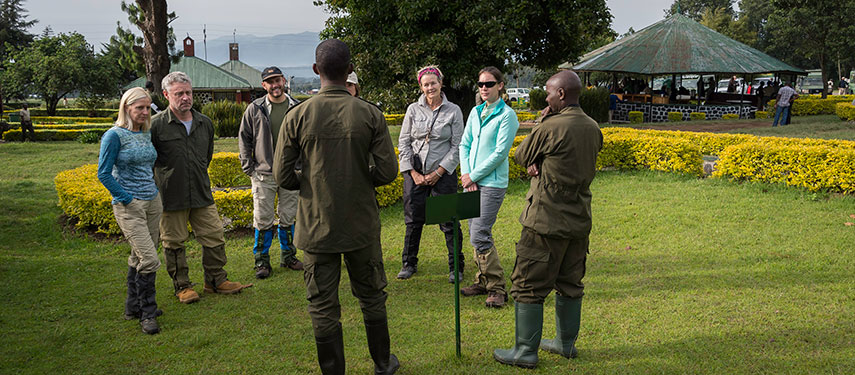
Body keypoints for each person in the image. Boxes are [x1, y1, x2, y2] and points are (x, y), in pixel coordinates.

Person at [273, 39, 400, 375]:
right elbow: (388, 172)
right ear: (349, 71)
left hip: (316, 226)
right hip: (360, 222)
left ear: (316, 71)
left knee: (322, 304)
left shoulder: (297, 115)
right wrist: (359, 178)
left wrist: (313, 183)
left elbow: (281, 175)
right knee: (372, 296)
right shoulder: (369, 113)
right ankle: (383, 363)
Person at [493, 70, 602, 369]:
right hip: (578, 220)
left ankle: (525, 351)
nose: (546, 97)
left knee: (528, 283)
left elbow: (521, 155)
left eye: (549, 93)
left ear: (562, 95)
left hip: (545, 220)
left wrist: (542, 125)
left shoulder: (551, 125)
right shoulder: (593, 127)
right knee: (570, 282)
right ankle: (566, 344)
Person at [151, 71, 252, 304]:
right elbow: (149, 161)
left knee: (214, 235)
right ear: (166, 95)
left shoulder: (204, 123)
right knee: (174, 241)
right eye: (179, 94)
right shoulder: (156, 126)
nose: (185, 97)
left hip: (201, 192)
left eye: (188, 92)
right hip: (171, 195)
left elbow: (205, 158)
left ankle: (215, 280)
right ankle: (183, 286)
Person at [97, 87, 164, 335]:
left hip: (152, 202)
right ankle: (147, 313)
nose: (145, 112)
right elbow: (103, 173)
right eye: (139, 108)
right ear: (127, 108)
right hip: (130, 206)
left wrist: (154, 193)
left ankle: (132, 307)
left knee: (139, 257)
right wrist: (126, 198)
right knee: (149, 259)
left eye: (147, 108)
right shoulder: (113, 136)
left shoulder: (145, 134)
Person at [395, 65, 465, 282]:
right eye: (425, 84)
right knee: (413, 220)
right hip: (415, 172)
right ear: (421, 86)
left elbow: (458, 145)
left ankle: (456, 267)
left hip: (443, 173)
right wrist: (412, 173)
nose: (430, 87)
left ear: (440, 83)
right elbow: (404, 142)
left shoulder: (453, 110)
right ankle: (409, 263)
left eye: (433, 83)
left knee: (449, 221)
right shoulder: (412, 110)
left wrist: (439, 172)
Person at [458, 66, 520, 308]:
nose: (484, 88)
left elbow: (499, 153)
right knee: (475, 234)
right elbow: (465, 144)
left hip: (491, 183)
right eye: (481, 84)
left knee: (480, 233)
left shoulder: (507, 116)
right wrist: (466, 175)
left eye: (489, 84)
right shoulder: (475, 112)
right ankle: (482, 280)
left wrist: (472, 176)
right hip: (470, 181)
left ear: (500, 86)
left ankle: (497, 288)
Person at [238, 66, 303, 280]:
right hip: (264, 174)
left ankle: (289, 256)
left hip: (290, 172)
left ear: (284, 81)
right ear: (264, 85)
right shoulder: (255, 108)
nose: (275, 85)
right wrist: (250, 168)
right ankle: (261, 261)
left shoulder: (296, 107)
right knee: (262, 219)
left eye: (277, 80)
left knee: (288, 216)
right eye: (270, 81)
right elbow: (244, 139)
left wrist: (301, 167)